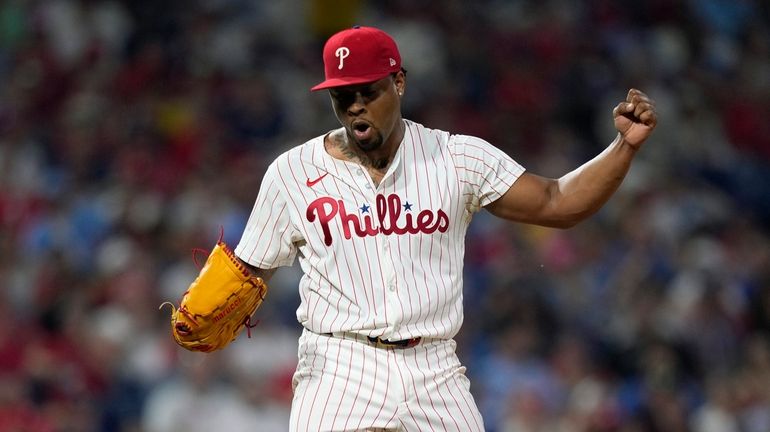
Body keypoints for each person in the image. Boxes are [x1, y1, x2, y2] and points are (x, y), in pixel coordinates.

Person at [233, 25, 657, 431]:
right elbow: (247, 272)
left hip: (433, 366)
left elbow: (556, 202)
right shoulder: (291, 172)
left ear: (399, 82)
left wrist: (624, 148)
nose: (356, 105)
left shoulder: (456, 157)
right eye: (343, 96)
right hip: (338, 363)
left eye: (368, 91)